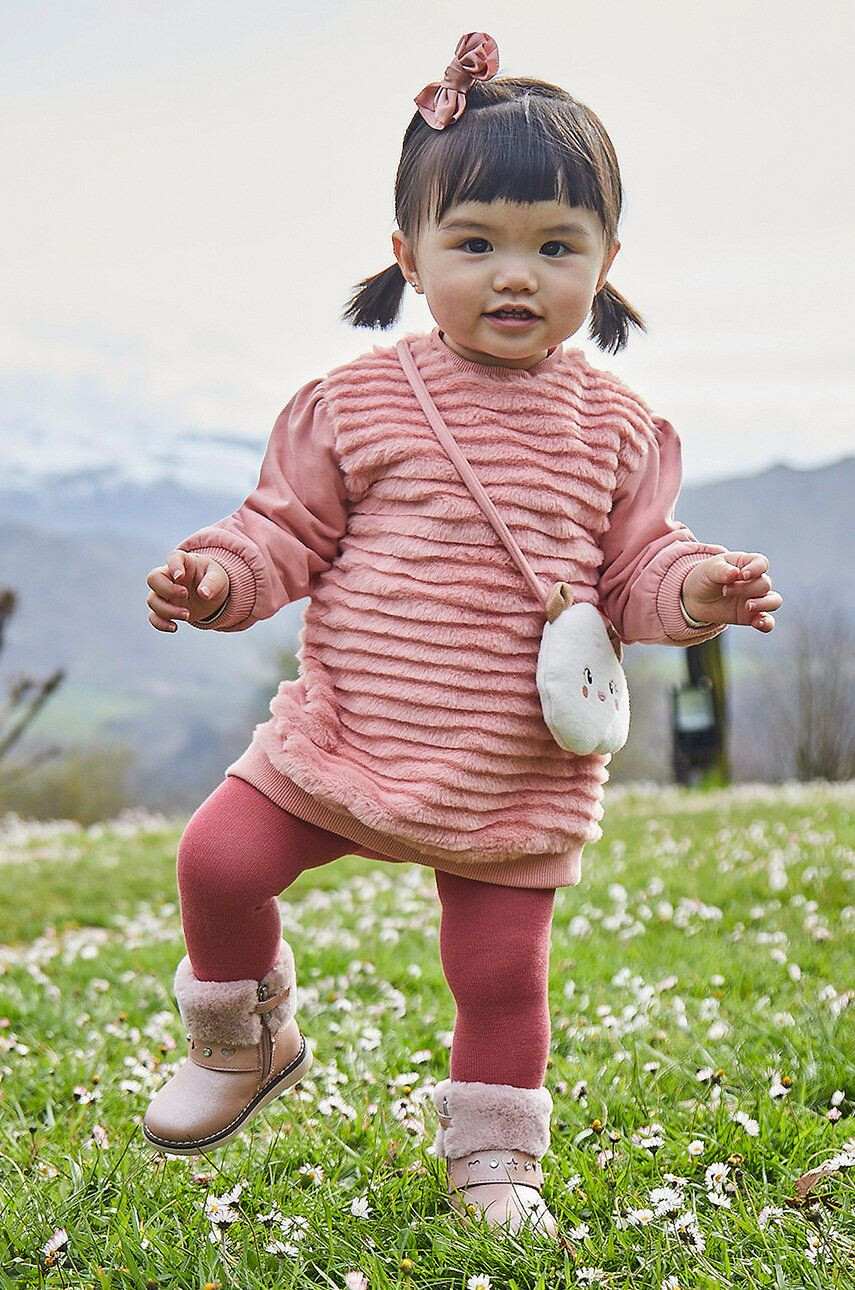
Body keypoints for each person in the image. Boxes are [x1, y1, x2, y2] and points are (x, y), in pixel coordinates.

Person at [141, 32, 782, 1239]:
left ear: (606, 261)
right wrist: (218, 579)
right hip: (346, 734)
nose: (514, 274)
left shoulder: (619, 430)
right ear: (408, 254)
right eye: (474, 241)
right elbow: (283, 530)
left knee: (500, 976)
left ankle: (496, 1162)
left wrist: (696, 594)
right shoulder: (356, 403)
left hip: (511, 765)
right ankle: (244, 1038)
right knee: (219, 861)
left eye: (555, 245)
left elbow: (639, 567)